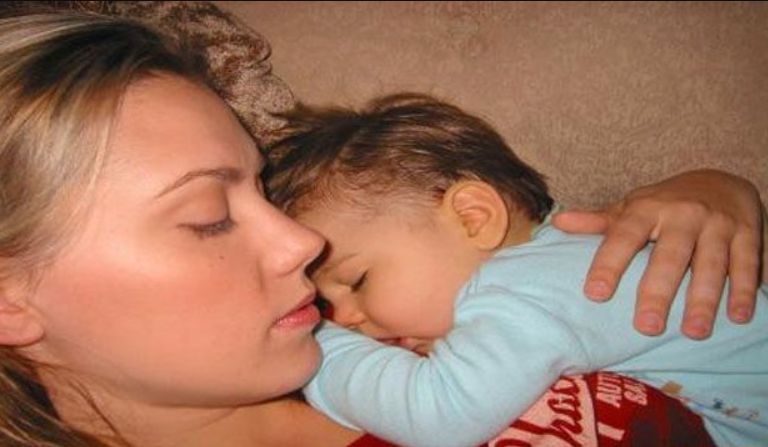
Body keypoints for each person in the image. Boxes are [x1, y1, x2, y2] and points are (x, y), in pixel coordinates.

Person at [0, 12, 764, 447]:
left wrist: (712, 192)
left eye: (260, 190)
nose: (303, 243)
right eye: (208, 217)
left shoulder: (400, 325)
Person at [265, 93, 768, 447]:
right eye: (327, 303)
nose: (346, 317)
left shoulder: (524, 292)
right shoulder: (558, 252)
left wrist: (319, 346)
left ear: (473, 217)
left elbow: (439, 414)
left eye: (357, 281)